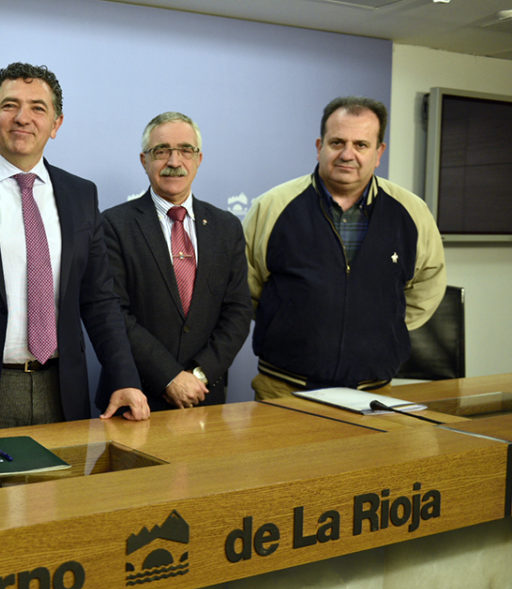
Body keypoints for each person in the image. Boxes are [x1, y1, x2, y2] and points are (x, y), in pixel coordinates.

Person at [0, 62, 149, 441]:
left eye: (38, 107)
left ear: (56, 124)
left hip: (63, 392)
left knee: (60, 500)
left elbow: (100, 300)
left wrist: (124, 378)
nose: (23, 118)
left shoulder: (81, 195)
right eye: (9, 105)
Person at [244, 96, 446, 400]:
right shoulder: (272, 207)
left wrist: (378, 323)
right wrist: (286, 319)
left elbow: (427, 285)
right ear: (319, 146)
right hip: (284, 387)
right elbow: (247, 285)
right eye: (337, 142)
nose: (347, 155)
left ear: (379, 153)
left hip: (374, 391)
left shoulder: (411, 212)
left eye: (361, 145)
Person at [100, 112, 252, 410]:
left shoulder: (226, 226)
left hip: (205, 395)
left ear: (199, 159)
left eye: (185, 150)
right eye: (161, 151)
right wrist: (169, 378)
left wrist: (198, 374)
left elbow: (238, 311)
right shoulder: (113, 225)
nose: (174, 161)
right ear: (144, 160)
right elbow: (114, 312)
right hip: (137, 397)